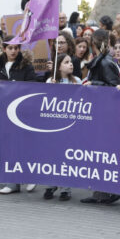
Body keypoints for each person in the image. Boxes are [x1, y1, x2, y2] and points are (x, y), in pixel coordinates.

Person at [0, 36, 39, 194]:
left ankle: (30, 177)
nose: (13, 51)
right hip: (2, 115)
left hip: (21, 115)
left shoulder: (26, 66)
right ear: (4, 49)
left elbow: (32, 88)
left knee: (24, 148)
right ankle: (11, 183)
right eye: (10, 48)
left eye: (16, 48)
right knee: (7, 149)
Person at [81, 30, 120, 204]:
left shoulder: (105, 63)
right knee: (95, 153)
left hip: (105, 113)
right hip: (97, 111)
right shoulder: (99, 61)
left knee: (103, 153)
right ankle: (99, 193)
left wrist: (94, 83)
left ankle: (109, 191)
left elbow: (114, 87)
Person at [43, 53, 83, 201]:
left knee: (67, 156)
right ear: (58, 66)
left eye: (71, 62)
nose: (71, 64)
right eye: (66, 62)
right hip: (54, 126)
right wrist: (51, 88)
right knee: (52, 156)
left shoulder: (76, 81)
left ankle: (66, 188)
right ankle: (50, 184)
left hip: (70, 126)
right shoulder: (50, 81)